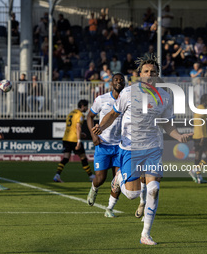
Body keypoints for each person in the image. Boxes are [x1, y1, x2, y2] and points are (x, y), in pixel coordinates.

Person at [92, 56, 192, 245]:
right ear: (140, 74)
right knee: (132, 195)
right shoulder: (128, 93)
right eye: (146, 71)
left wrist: (179, 137)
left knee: (153, 189)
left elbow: (167, 124)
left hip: (153, 148)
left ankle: (145, 234)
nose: (149, 75)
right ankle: (119, 177)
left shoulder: (165, 96)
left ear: (157, 75)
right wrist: (101, 127)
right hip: (130, 147)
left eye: (153, 72)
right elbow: (113, 113)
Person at [86, 73, 125, 217]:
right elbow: (89, 116)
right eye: (116, 79)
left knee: (118, 180)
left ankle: (109, 208)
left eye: (121, 80)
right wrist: (93, 135)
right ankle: (94, 188)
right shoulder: (102, 99)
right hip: (103, 145)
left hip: (120, 146)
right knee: (100, 178)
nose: (119, 82)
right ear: (111, 83)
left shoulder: (128, 101)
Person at [53, 100, 95, 183]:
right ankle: (91, 176)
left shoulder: (71, 113)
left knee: (65, 158)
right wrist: (79, 141)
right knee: (83, 158)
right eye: (86, 106)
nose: (87, 108)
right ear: (82, 106)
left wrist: (81, 133)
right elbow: (78, 127)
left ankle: (57, 175)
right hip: (74, 139)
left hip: (66, 138)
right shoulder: (80, 115)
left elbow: (73, 127)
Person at [188, 94, 207, 184]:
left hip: (197, 136)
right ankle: (195, 170)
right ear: (205, 100)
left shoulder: (199, 108)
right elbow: (199, 122)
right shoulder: (201, 109)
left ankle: (199, 178)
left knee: (198, 158)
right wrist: (202, 137)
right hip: (202, 136)